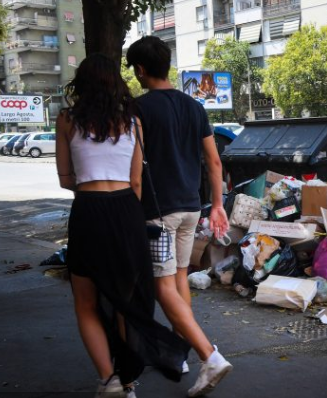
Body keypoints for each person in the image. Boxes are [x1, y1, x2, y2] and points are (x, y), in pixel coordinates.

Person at [55, 53, 190, 398]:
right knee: (126, 301)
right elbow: (137, 183)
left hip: (88, 212)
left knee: (86, 303)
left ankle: (108, 380)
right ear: (116, 84)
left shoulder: (67, 120)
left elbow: (65, 180)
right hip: (127, 212)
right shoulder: (132, 121)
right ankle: (128, 383)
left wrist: (89, 184)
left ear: (80, 85)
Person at [126, 36, 232, 398]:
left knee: (162, 286)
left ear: (141, 70)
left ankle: (208, 356)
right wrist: (217, 204)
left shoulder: (137, 109)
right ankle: (180, 353)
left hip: (158, 213)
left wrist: (129, 212)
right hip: (191, 208)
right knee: (180, 280)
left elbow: (135, 169)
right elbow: (214, 161)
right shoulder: (194, 106)